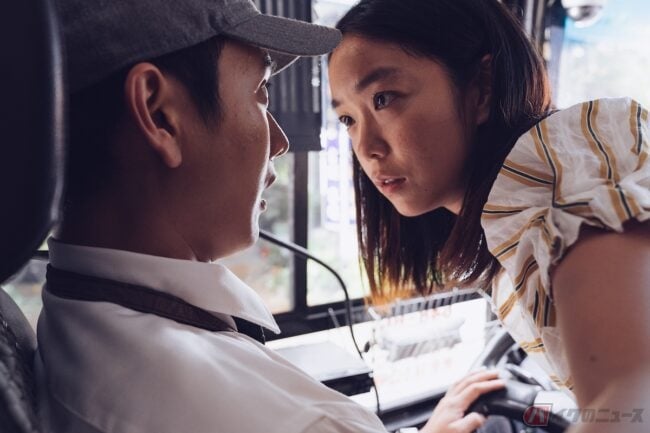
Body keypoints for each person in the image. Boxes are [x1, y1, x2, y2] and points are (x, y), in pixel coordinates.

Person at [35, 0, 505, 432]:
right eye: (261, 93)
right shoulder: (294, 421)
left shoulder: (73, 325)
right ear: (160, 115)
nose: (280, 142)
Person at [327, 0, 650, 432]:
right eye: (348, 119)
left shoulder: (565, 185)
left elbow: (632, 399)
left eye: (383, 99)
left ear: (483, 86)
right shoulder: (506, 222)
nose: (366, 148)